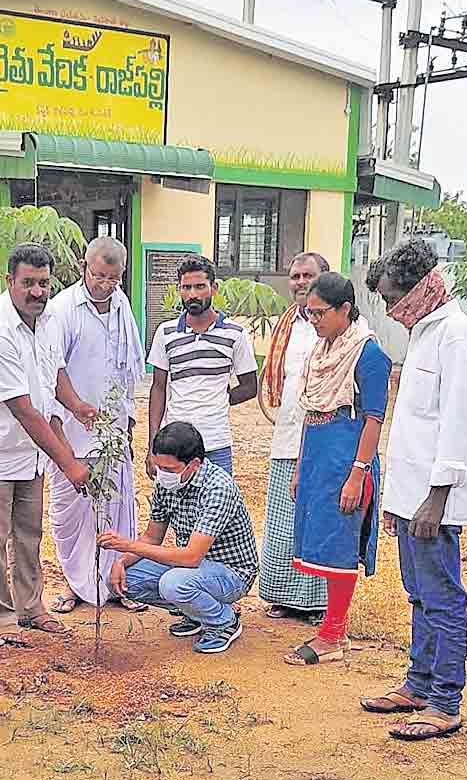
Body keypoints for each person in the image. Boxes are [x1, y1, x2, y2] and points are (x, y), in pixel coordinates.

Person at [361, 239, 467, 742]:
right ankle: (417, 686)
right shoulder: (424, 333)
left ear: (422, 287)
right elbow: (416, 425)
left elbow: (460, 425)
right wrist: (398, 498)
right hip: (411, 494)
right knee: (418, 596)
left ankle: (445, 702)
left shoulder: (458, 337)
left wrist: (436, 497)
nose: (391, 311)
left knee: (442, 598)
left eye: (395, 298)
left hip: (433, 499)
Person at [0, 243, 97, 644]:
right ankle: (1, 618)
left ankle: (31, 607)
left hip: (27, 452)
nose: (38, 292)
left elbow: (53, 368)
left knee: (29, 532)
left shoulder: (46, 320)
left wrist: (75, 404)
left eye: (43, 283)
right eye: (28, 283)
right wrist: (70, 463)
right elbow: (25, 411)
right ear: (9, 281)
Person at [284, 272, 391, 667]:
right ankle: (332, 628)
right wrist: (299, 467)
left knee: (340, 544)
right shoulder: (320, 352)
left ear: (345, 309)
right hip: (316, 456)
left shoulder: (369, 355)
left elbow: (374, 419)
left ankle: (332, 635)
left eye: (319, 313)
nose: (313, 321)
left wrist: (358, 472)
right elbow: (311, 412)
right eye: (308, 314)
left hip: (346, 459)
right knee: (321, 542)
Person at [46, 236, 147, 615]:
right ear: (85, 268)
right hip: (70, 432)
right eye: (99, 276)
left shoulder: (121, 306)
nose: (106, 284)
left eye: (114, 278)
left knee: (117, 509)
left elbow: (128, 371)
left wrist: (130, 422)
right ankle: (76, 586)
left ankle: (116, 583)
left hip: (114, 431)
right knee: (72, 512)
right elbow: (52, 368)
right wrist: (76, 407)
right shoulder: (63, 310)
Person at [99, 421, 259, 654]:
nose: (161, 474)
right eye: (158, 467)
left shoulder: (218, 488)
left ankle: (224, 621)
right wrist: (121, 561)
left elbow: (191, 557)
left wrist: (126, 544)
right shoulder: (167, 483)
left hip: (232, 574)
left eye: (169, 469)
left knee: (173, 583)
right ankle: (195, 613)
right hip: (193, 569)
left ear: (194, 464)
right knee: (125, 579)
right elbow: (152, 537)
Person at [259, 252, 331, 621]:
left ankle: (319, 603)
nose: (300, 282)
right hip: (287, 436)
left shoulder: (341, 326)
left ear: (324, 278)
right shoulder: (287, 323)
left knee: (316, 518)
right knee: (285, 520)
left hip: (323, 439)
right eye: (295, 276)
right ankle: (284, 597)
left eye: (308, 275)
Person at [147, 255, 257, 477]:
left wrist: (221, 399)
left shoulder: (235, 333)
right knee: (173, 509)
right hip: (174, 445)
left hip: (216, 442)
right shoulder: (165, 333)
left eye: (200, 286)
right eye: (186, 287)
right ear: (179, 289)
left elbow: (250, 387)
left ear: (214, 288)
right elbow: (158, 388)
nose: (193, 294)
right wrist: (152, 446)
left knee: (217, 508)